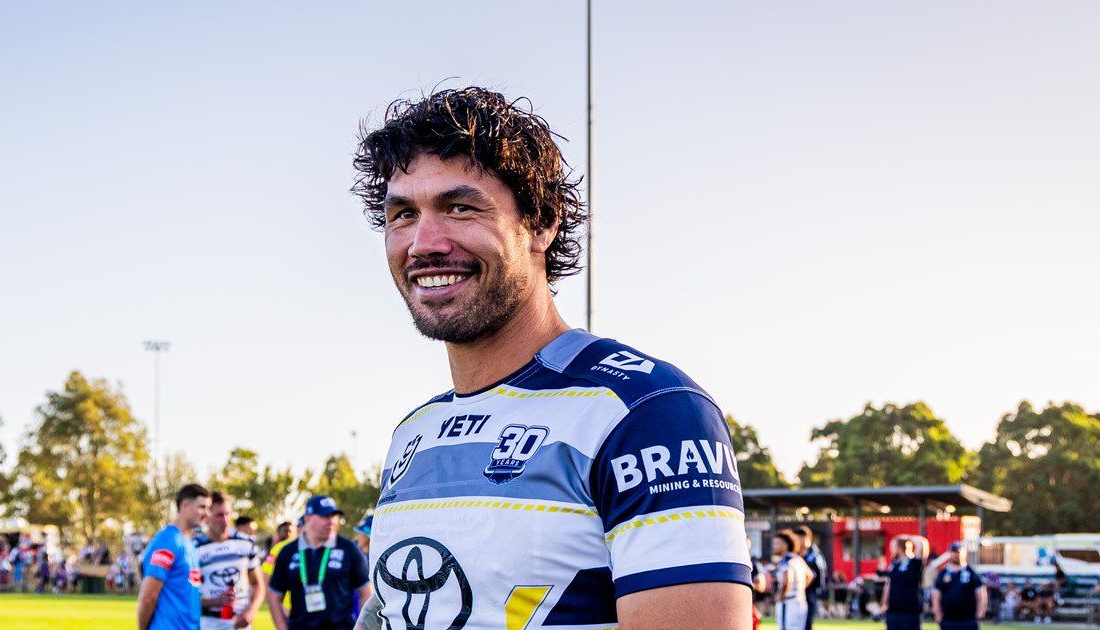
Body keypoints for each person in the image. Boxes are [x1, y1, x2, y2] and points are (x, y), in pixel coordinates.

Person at [353, 86, 754, 630]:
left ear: (542, 223)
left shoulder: (647, 411)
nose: (424, 242)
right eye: (402, 214)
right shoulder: (414, 432)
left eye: (460, 207)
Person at [267, 496, 371, 630]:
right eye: (325, 516)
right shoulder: (288, 552)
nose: (331, 521)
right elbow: (274, 596)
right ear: (307, 518)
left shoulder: (348, 549)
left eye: (334, 516)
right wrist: (282, 627)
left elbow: (366, 592)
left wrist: (362, 626)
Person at [138, 483, 211, 630]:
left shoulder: (189, 543)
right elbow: (148, 597)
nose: (207, 514)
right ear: (184, 506)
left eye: (208, 508)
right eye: (202, 507)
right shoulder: (167, 541)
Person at [195, 491, 267, 630]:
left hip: (241, 624)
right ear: (207, 516)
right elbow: (186, 597)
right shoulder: (195, 548)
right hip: (209, 624)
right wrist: (215, 601)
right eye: (219, 515)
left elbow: (258, 584)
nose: (225, 520)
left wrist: (250, 611)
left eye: (227, 514)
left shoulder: (245, 543)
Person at [932, 543, 986, 630]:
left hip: (968, 620)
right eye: (954, 552)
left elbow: (981, 595)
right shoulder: (942, 574)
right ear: (950, 553)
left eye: (959, 552)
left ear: (965, 553)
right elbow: (936, 596)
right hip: (948, 620)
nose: (956, 555)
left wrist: (980, 614)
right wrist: (938, 616)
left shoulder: (972, 573)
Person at [883, 536, 928, 630]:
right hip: (893, 612)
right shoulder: (894, 565)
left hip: (909, 612)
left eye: (893, 547)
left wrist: (907, 538)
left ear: (899, 548)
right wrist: (884, 603)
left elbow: (921, 545)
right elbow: (888, 585)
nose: (891, 550)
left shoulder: (913, 563)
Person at [775, 531, 812, 630]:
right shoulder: (798, 559)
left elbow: (787, 581)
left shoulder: (786, 560)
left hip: (789, 603)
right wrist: (799, 589)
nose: (774, 546)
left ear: (785, 545)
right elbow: (809, 575)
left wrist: (780, 596)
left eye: (777, 543)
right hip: (800, 601)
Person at [793, 526, 826, 629]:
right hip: (798, 595)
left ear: (805, 538)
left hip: (809, 593)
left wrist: (799, 588)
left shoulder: (814, 555)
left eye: (798, 538)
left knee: (807, 624)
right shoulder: (797, 554)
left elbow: (813, 575)